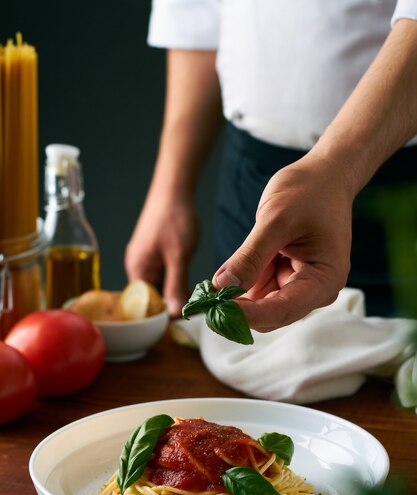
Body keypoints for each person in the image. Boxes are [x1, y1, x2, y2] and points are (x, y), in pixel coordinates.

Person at [125, 0, 417, 332]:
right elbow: (198, 14)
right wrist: (170, 189)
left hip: (399, 193)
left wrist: (336, 168)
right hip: (252, 182)